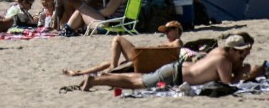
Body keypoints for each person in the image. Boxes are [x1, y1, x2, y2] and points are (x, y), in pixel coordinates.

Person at [79, 34, 250, 91]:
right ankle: (96, 80)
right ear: (232, 50)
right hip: (174, 75)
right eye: (241, 52)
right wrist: (244, 74)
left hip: (175, 70)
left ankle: (105, 76)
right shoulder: (223, 61)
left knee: (140, 76)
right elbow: (228, 84)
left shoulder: (217, 52)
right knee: (135, 83)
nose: (243, 55)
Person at [64, 20, 184, 76]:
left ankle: (113, 67)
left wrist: (161, 46)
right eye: (166, 31)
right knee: (108, 63)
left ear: (177, 31)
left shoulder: (177, 41)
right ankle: (80, 73)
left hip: (145, 60)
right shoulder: (170, 44)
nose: (167, 33)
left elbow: (175, 48)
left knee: (118, 39)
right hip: (146, 59)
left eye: (169, 30)